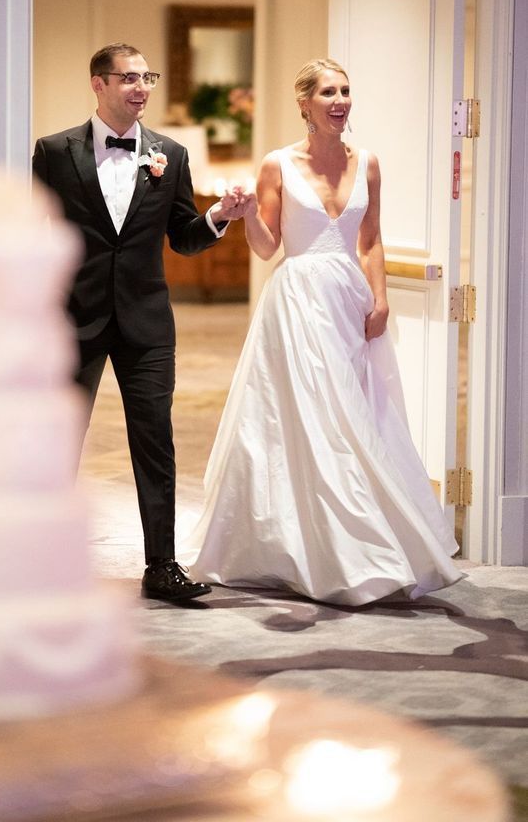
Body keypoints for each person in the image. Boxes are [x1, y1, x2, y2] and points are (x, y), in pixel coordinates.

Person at [180, 57, 463, 606]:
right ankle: (329, 553)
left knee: (360, 417)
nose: (340, 101)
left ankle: (368, 544)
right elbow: (268, 247)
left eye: (346, 91)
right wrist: (243, 217)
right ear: (305, 103)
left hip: (350, 302)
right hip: (297, 302)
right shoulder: (278, 164)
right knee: (312, 419)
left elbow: (371, 240)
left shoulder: (368, 163)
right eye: (329, 92)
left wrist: (380, 298)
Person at [33, 42, 245, 603]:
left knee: (156, 441)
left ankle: (162, 566)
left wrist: (218, 217)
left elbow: (184, 236)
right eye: (128, 78)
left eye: (147, 77)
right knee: (60, 439)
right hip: (73, 319)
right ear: (98, 84)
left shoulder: (169, 155)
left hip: (147, 322)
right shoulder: (54, 152)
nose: (141, 87)